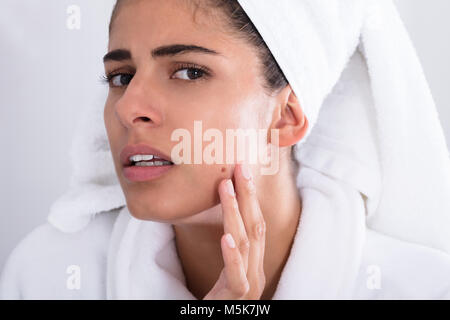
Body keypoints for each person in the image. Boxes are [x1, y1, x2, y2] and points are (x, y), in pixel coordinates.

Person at [1, 0, 450, 300]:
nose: (129, 107)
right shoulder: (45, 277)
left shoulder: (421, 289)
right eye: (121, 76)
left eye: (189, 72)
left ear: (287, 116)